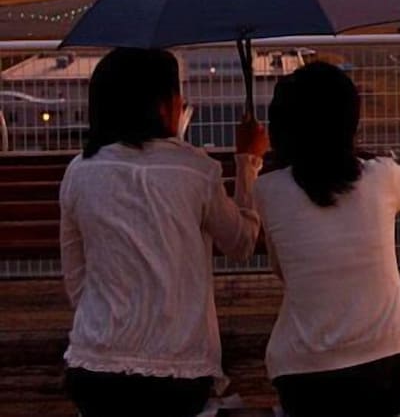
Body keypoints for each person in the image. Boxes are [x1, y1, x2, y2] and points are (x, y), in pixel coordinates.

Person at [255, 62, 400, 417]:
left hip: (306, 378)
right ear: (349, 123)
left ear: (282, 127)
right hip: (393, 366)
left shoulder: (268, 191)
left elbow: (284, 271)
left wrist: (248, 157)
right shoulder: (380, 178)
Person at [59, 48, 267, 417]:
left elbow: (76, 280)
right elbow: (241, 243)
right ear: (160, 106)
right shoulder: (195, 170)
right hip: (179, 377)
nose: (182, 102)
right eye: (177, 94)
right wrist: (248, 163)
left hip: (92, 373)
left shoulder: (80, 171)